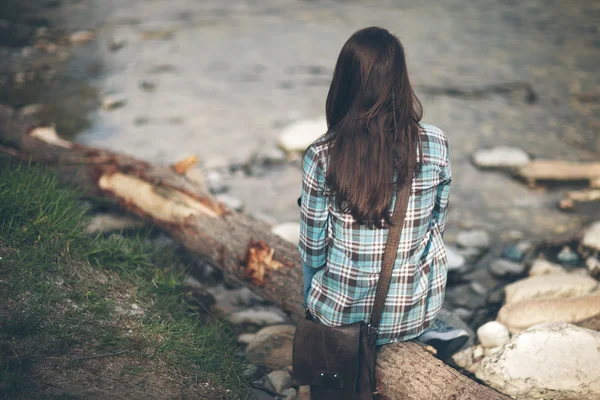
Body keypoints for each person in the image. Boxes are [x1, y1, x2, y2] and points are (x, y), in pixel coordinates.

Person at [298, 26, 468, 358]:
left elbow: (313, 250)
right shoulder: (434, 142)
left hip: (340, 314)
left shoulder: (322, 155)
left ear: (343, 83)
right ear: (400, 81)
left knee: (312, 263)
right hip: (410, 315)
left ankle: (317, 317)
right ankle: (431, 328)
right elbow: (437, 225)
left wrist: (310, 300)